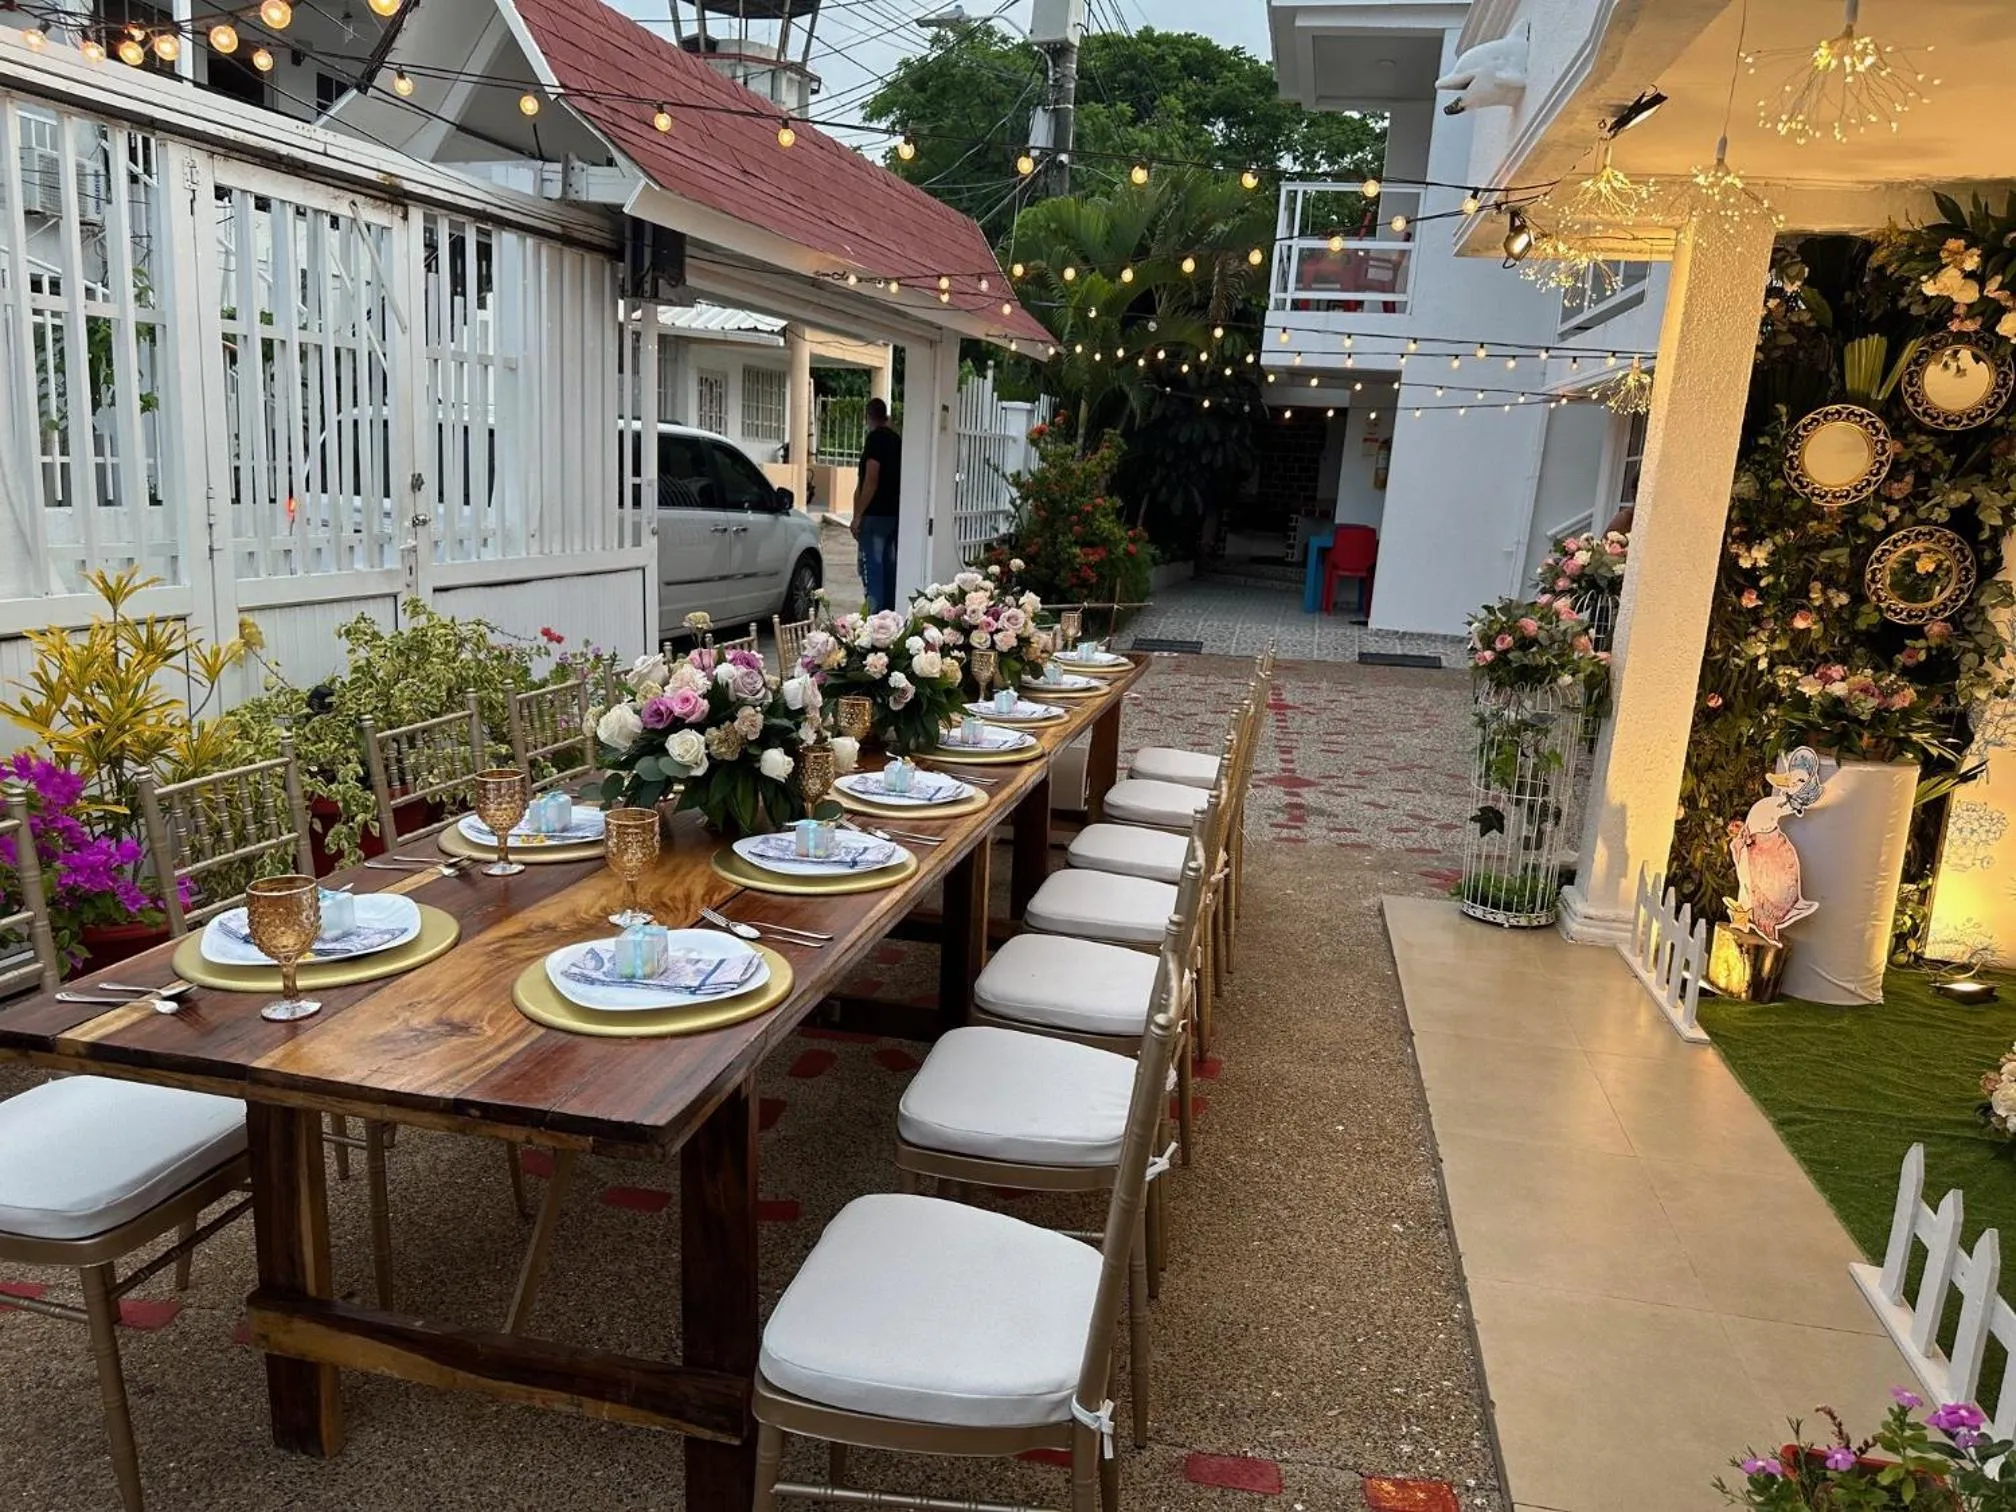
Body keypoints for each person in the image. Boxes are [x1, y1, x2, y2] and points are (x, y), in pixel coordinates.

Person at [851, 397, 901, 612]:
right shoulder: (896, 440)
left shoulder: (875, 439)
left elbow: (871, 478)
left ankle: (873, 620)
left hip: (876, 515)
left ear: (868, 416)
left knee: (872, 570)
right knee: (889, 569)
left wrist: (858, 515)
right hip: (893, 513)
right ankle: (890, 618)